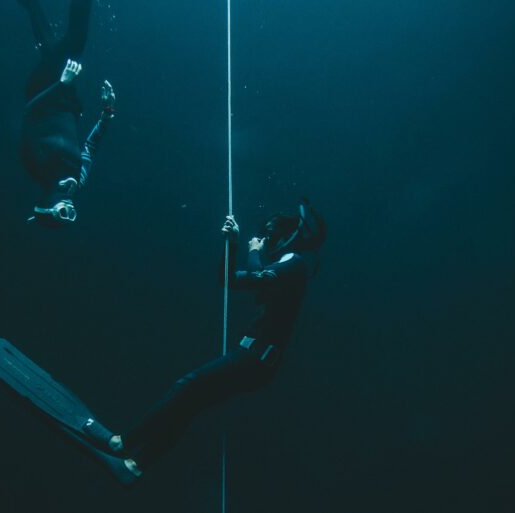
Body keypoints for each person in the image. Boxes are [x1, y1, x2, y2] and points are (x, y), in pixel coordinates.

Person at [84, 199, 327, 483]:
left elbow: (257, 277)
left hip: (255, 359)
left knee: (187, 385)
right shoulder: (284, 267)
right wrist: (232, 245)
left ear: (289, 236)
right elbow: (229, 279)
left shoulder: (294, 263)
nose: (265, 238)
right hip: (254, 359)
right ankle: (136, 464)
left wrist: (251, 250)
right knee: (190, 403)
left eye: (271, 233)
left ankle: (122, 443)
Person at [17, 0, 115, 226]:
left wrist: (60, 85)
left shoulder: (38, 169)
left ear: (48, 205)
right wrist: (107, 111)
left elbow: (29, 114)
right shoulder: (79, 181)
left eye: (63, 213)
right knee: (54, 49)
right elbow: (90, 148)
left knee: (72, 45)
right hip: (67, 97)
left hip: (43, 89)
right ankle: (31, 5)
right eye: (72, 216)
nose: (70, 210)